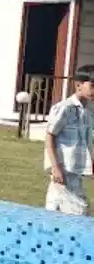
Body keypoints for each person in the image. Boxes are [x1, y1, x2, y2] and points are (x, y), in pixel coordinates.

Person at [44, 65, 94, 215]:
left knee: (57, 210)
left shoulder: (89, 112)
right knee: (80, 212)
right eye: (92, 86)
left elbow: (87, 140)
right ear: (78, 85)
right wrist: (55, 167)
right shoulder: (64, 108)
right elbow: (50, 136)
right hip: (63, 170)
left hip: (75, 171)